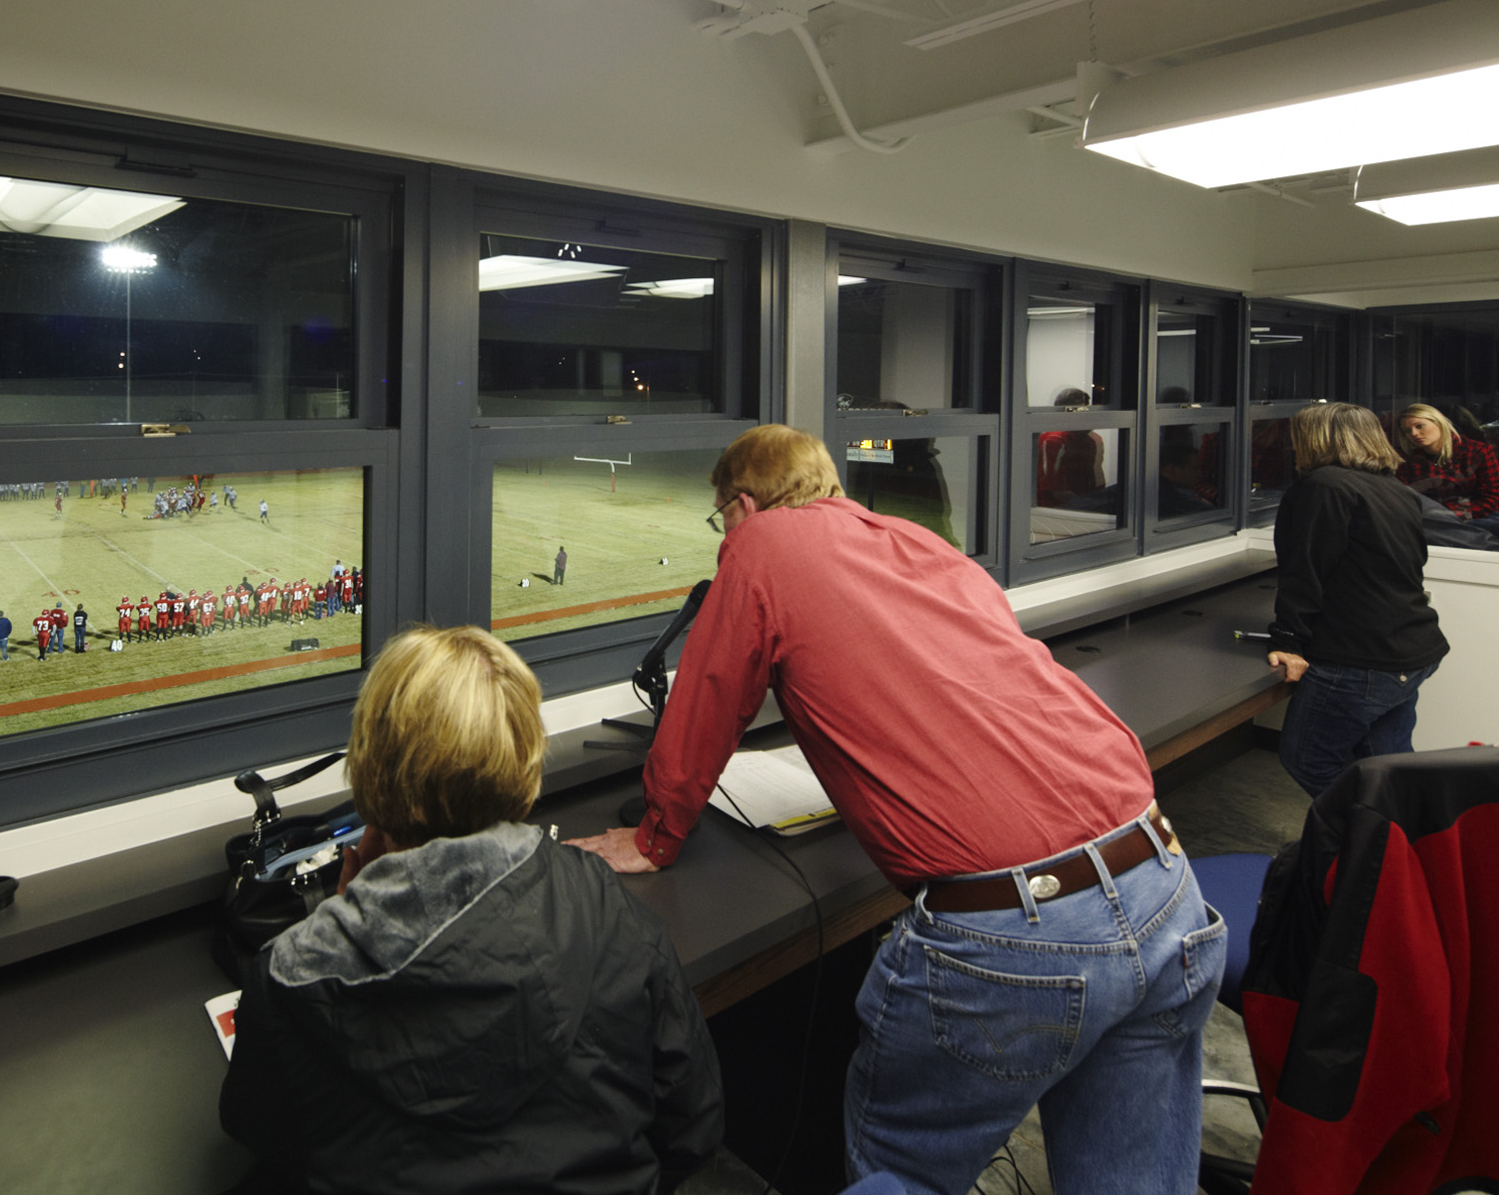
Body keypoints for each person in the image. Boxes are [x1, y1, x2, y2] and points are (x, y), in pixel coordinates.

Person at [569, 424, 1222, 1195]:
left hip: (1019, 937)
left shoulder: (762, 544)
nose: (726, 533)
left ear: (742, 504)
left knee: (901, 1174)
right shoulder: (916, 541)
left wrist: (656, 834)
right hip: (1164, 881)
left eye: (722, 517)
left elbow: (710, 695)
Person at [220, 624, 722, 1194]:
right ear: (523, 755)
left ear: (368, 765)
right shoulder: (604, 906)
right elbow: (693, 1126)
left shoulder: (291, 974)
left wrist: (349, 920)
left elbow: (256, 1131)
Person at [1268, 403, 1449, 797]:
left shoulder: (1324, 486)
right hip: (1413, 648)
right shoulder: (1393, 489)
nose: (1294, 448)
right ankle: (1405, 848)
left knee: (1308, 759)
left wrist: (1287, 641)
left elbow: (1305, 572)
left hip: (1362, 660)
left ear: (1318, 440)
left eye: (1298, 439)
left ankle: (1369, 842)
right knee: (1389, 767)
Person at [1394, 401, 1499, 537]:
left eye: (1419, 426)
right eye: (1407, 431)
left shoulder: (1476, 451)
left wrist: (1455, 513)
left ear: (1438, 423)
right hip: (1430, 521)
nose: (1414, 433)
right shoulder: (1405, 460)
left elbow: (1494, 497)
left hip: (1476, 517)